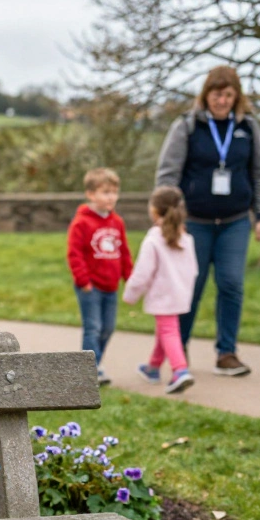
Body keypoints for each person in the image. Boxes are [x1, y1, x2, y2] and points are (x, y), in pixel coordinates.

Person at [155, 65, 260, 377]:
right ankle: (178, 353)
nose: (222, 101)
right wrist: (171, 219)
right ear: (206, 94)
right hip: (193, 223)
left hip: (235, 221)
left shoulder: (248, 127)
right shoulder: (188, 126)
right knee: (190, 287)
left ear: (237, 97)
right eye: (217, 94)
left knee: (231, 284)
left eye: (228, 95)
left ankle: (227, 353)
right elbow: (168, 176)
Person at [125, 187, 199, 394]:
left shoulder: (153, 239)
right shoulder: (186, 238)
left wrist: (131, 294)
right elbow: (194, 270)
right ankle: (153, 368)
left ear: (154, 210)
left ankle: (180, 370)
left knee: (168, 330)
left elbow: (142, 273)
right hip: (180, 294)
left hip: (162, 296)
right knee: (165, 329)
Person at [66, 168, 132, 386]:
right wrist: (83, 280)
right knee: (93, 328)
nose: (111, 197)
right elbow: (74, 253)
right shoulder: (81, 222)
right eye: (105, 192)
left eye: (114, 192)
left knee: (107, 328)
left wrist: (129, 277)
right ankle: (89, 372)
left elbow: (124, 252)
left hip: (111, 286)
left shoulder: (117, 222)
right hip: (90, 287)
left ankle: (94, 366)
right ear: (91, 194)